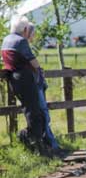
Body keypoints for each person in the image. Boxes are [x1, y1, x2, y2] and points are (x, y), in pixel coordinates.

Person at [1, 16, 46, 153]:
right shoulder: (21, 41)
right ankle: (30, 138)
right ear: (25, 29)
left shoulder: (6, 39)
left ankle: (32, 141)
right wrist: (40, 71)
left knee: (29, 109)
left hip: (13, 79)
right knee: (34, 111)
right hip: (24, 78)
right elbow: (32, 60)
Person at [27, 23, 61, 154]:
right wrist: (39, 71)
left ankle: (48, 142)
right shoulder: (24, 45)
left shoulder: (26, 45)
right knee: (43, 113)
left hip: (36, 83)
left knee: (43, 113)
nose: (34, 36)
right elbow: (34, 64)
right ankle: (50, 143)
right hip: (35, 84)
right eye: (33, 34)